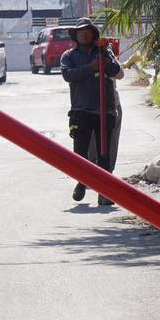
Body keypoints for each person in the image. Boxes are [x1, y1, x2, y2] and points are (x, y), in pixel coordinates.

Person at [60, 16, 123, 206]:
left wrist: (104, 59)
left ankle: (105, 192)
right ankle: (81, 182)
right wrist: (91, 68)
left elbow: (117, 71)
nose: (84, 34)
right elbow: (68, 75)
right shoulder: (69, 56)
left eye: (87, 31)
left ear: (93, 34)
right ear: (76, 35)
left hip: (105, 110)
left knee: (104, 152)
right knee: (80, 151)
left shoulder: (104, 51)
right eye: (81, 32)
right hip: (81, 110)